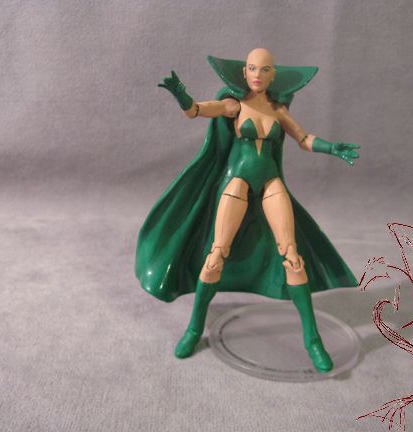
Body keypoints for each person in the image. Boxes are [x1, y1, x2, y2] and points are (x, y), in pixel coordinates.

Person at [135, 48, 360, 373]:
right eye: (252, 68)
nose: (257, 74)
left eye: (264, 69)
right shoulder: (234, 106)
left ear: (272, 75)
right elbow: (198, 110)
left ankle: (312, 340)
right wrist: (181, 95)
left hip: (270, 183)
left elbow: (304, 139)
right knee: (216, 255)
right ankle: (195, 329)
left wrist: (332, 148)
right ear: (244, 73)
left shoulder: (278, 111)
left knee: (292, 257)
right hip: (237, 183)